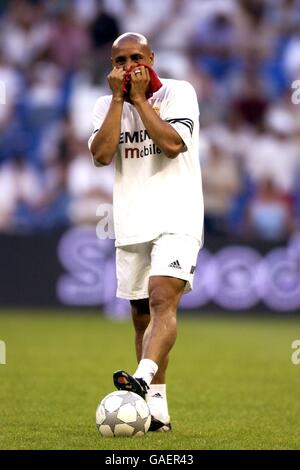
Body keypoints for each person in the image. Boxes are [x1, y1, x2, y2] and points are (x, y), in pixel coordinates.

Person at [88, 32, 204, 432]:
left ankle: (140, 380)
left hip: (178, 217)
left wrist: (140, 99)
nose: (130, 66)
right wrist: (121, 100)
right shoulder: (106, 105)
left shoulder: (178, 93)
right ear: (112, 66)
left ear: (152, 58)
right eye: (120, 61)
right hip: (133, 221)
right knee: (141, 318)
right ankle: (157, 412)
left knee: (161, 299)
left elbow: (173, 143)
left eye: (137, 57)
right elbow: (102, 155)